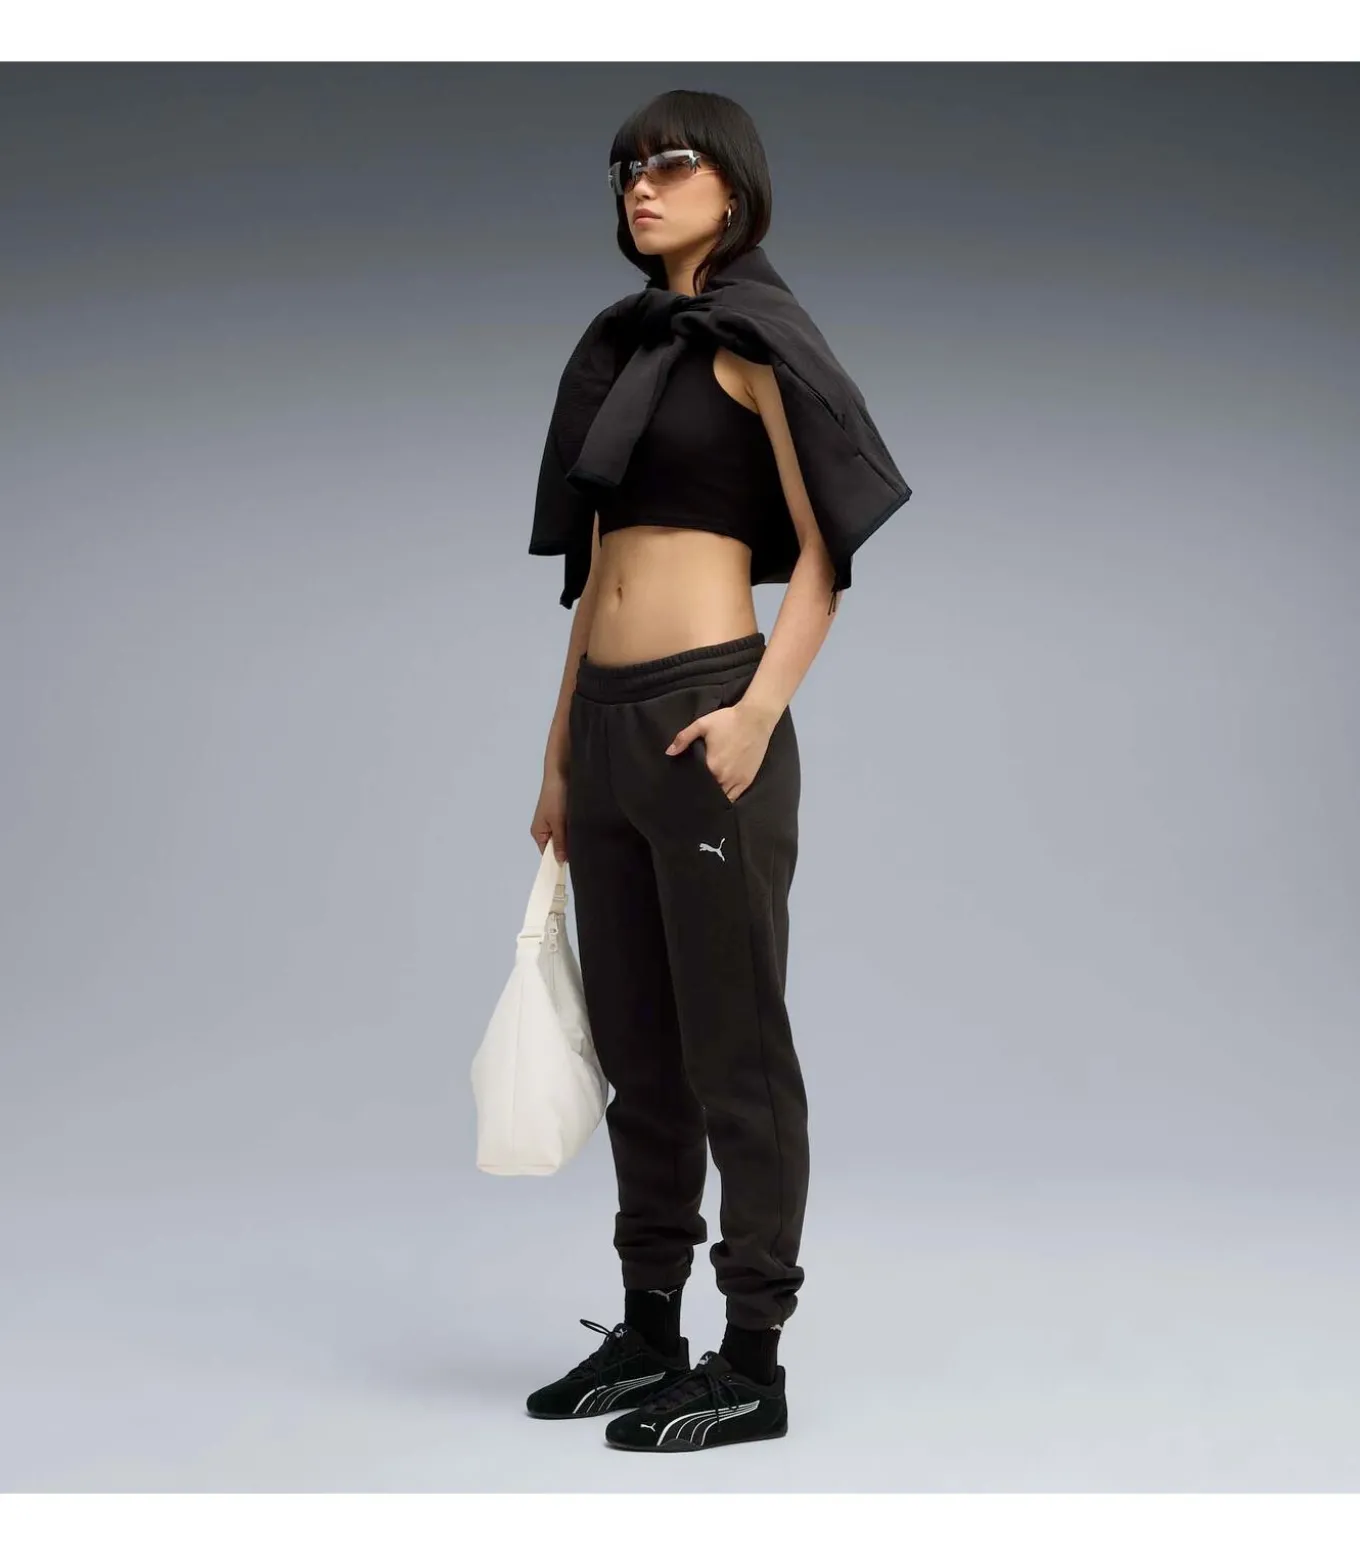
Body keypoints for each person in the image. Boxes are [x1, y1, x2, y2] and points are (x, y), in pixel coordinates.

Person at [522, 89, 909, 1453]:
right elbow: (595, 582)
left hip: (707, 720)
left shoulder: (756, 346)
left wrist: (757, 713)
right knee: (638, 1048)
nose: (640, 185)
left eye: (668, 164)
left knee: (733, 1048)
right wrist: (559, 754)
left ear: (730, 189)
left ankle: (753, 1358)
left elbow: (825, 558)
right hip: (609, 724)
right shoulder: (625, 351)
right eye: (624, 169)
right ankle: (648, 1327)